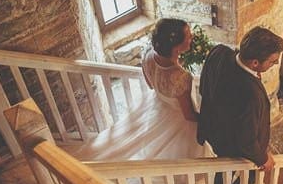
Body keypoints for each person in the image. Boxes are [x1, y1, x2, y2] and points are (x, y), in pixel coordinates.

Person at [69, 18, 207, 161]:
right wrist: (209, 119)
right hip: (178, 122)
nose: (192, 37)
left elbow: (150, 85)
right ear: (176, 47)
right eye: (188, 36)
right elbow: (189, 115)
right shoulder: (182, 78)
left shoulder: (148, 54)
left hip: (157, 107)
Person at [196, 26, 283, 184]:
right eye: (272, 61)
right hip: (233, 144)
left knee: (222, 169)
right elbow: (246, 141)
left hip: (215, 130)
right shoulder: (251, 95)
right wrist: (263, 158)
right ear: (254, 63)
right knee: (251, 172)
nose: (276, 64)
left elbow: (204, 86)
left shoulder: (219, 52)